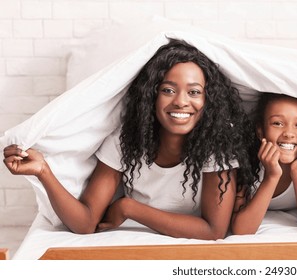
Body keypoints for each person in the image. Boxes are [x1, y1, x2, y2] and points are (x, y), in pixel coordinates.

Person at [3, 39, 258, 240]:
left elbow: (213, 231)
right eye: (168, 90)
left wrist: (129, 208)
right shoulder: (124, 142)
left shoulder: (217, 147)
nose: (181, 101)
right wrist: (43, 172)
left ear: (207, 101)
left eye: (194, 92)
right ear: (152, 97)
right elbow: (86, 222)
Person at [231, 93, 297, 234]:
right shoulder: (245, 156)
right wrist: (272, 176)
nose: (289, 133)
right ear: (260, 132)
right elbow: (242, 230)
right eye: (277, 123)